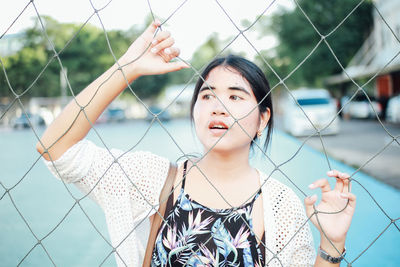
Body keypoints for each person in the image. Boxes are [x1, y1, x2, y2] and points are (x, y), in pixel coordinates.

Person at [36, 20, 356, 267]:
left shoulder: (281, 205)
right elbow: (55, 149)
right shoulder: (153, 179)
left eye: (235, 95)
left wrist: (331, 243)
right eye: (207, 95)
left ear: (262, 119)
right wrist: (127, 69)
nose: (218, 105)